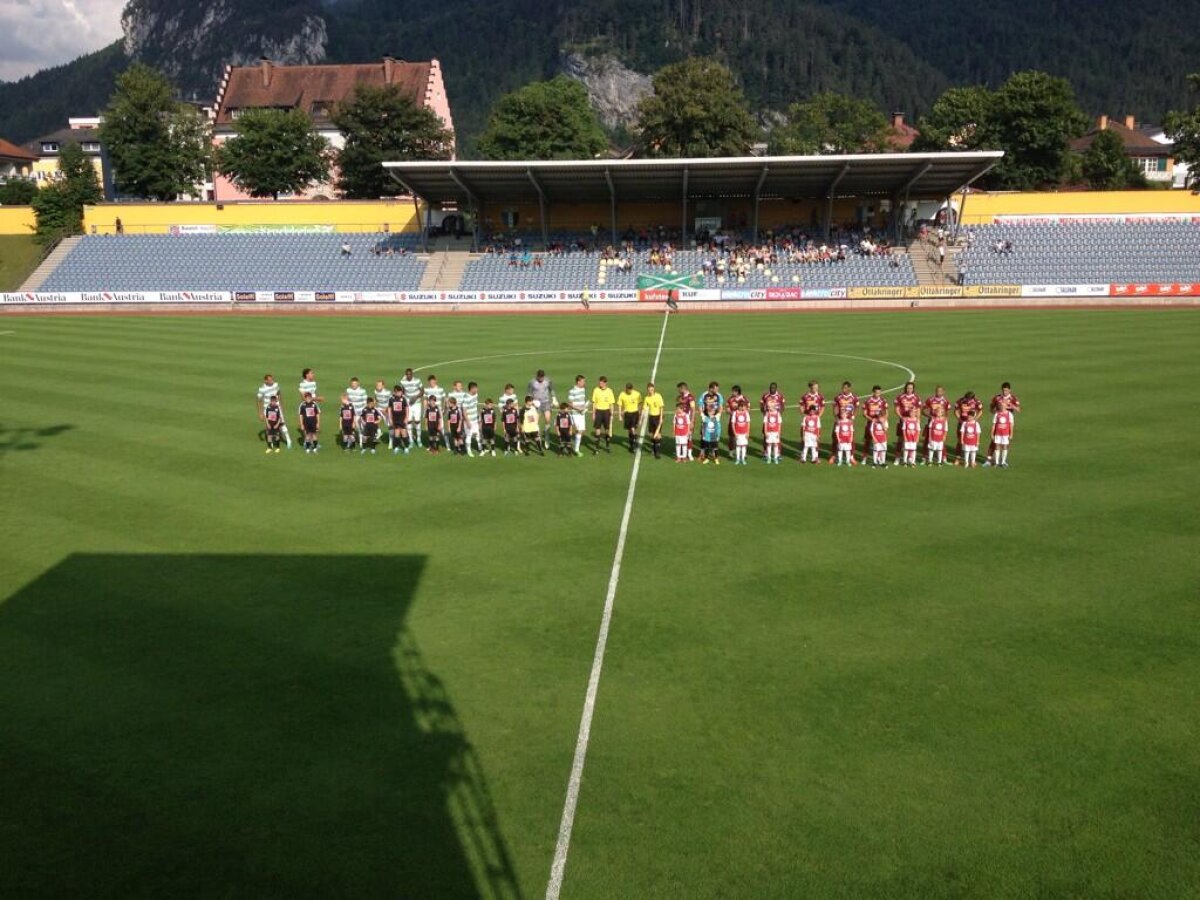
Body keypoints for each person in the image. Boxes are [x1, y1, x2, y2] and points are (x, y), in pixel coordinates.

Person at [986, 383, 1022, 465]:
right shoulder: (997, 398)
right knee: (994, 441)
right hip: (999, 421)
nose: (1005, 392)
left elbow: (1019, 410)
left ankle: (1003, 461)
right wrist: (996, 411)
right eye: (1003, 390)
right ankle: (989, 459)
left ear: (1010, 390)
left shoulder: (1013, 398)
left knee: (1006, 442)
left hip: (1008, 422)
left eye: (1006, 390)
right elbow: (991, 409)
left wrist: (1012, 406)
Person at [256, 374, 292, 449]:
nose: (272, 381)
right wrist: (260, 413)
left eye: (272, 379)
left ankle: (288, 440)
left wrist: (281, 405)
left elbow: (279, 393)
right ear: (265, 381)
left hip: (277, 408)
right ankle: (271, 443)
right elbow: (259, 400)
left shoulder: (276, 385)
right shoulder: (262, 389)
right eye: (270, 380)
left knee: (282, 423)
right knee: (269, 425)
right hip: (268, 410)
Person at [893, 381, 920, 464]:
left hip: (913, 423)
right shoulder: (900, 397)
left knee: (912, 439)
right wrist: (902, 417)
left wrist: (917, 419)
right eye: (908, 388)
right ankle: (897, 458)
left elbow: (918, 410)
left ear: (913, 389)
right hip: (903, 421)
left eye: (911, 388)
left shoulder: (916, 398)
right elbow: (896, 409)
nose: (909, 389)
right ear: (905, 388)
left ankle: (909, 457)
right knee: (900, 439)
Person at [953, 390, 983, 463]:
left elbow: (980, 411)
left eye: (969, 399)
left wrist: (975, 420)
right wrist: (959, 419)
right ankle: (958, 458)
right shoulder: (960, 401)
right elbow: (956, 411)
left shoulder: (976, 402)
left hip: (972, 424)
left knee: (972, 440)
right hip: (962, 423)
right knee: (960, 440)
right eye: (966, 399)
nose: (967, 401)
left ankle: (971, 460)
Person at [526, 369, 556, 442]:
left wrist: (554, 398)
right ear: (537, 376)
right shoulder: (532, 382)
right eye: (539, 377)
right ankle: (538, 436)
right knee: (536, 421)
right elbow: (529, 393)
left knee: (547, 419)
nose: (541, 379)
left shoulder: (548, 381)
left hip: (546, 402)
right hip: (536, 403)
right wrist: (530, 402)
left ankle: (547, 435)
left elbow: (551, 389)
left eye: (542, 377)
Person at [861, 385, 888, 463]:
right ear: (873, 392)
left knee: (880, 440)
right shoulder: (868, 401)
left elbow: (886, 413)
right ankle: (864, 458)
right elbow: (864, 414)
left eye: (879, 392)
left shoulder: (883, 401)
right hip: (870, 423)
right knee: (867, 441)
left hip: (880, 424)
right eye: (876, 392)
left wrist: (882, 420)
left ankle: (879, 458)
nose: (878, 394)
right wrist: (872, 419)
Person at [591, 376, 615, 454]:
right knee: (597, 429)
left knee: (607, 430)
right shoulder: (596, 390)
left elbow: (611, 404)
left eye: (601, 382)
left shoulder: (610, 391)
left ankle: (607, 446)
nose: (600, 384)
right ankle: (597, 448)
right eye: (599, 382)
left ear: (605, 383)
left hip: (606, 412)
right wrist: (593, 413)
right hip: (598, 411)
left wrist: (612, 414)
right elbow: (594, 403)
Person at [400, 368, 424, 447]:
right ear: (406, 375)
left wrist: (415, 397)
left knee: (417, 421)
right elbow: (402, 391)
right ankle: (411, 440)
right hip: (408, 405)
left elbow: (422, 391)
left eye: (410, 374)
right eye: (407, 374)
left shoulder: (417, 380)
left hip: (417, 404)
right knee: (409, 421)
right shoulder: (402, 382)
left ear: (412, 374)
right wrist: (405, 399)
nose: (409, 376)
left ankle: (419, 439)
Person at [642, 382, 665, 459]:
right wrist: (642, 417)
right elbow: (645, 408)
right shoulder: (647, 398)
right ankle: (653, 448)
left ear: (654, 389)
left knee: (658, 434)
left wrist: (661, 417)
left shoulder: (658, 396)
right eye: (649, 390)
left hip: (658, 416)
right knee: (651, 434)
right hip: (651, 417)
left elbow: (661, 407)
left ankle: (657, 452)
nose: (650, 391)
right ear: (647, 390)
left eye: (652, 389)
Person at [617, 381, 643, 452]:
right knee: (629, 430)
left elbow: (640, 403)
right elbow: (619, 405)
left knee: (632, 428)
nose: (629, 391)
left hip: (635, 413)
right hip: (627, 414)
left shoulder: (637, 394)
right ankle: (632, 442)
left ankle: (633, 444)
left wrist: (639, 411)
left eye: (630, 389)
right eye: (628, 389)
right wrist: (620, 415)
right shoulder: (622, 394)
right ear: (626, 389)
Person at [566, 375, 588, 456]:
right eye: (583, 381)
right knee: (579, 430)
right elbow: (569, 404)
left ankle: (575, 447)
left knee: (581, 431)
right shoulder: (572, 391)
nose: (584, 383)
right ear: (578, 382)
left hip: (582, 413)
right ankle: (576, 449)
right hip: (576, 414)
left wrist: (584, 407)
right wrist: (578, 408)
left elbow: (584, 387)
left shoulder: (583, 389)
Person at [424, 375, 447, 448]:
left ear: (436, 381)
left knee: (441, 429)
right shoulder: (426, 390)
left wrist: (444, 409)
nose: (432, 383)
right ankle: (431, 446)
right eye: (430, 382)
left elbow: (445, 399)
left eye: (433, 382)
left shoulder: (440, 389)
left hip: (438, 412)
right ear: (429, 382)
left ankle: (447, 444)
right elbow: (425, 400)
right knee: (431, 429)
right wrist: (425, 409)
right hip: (430, 412)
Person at [990, 400, 1014, 467]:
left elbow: (1011, 425)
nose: (1002, 407)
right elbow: (994, 425)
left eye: (1003, 405)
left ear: (1006, 406)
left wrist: (1011, 434)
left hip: (1006, 434)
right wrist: (992, 434)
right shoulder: (997, 414)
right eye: (1001, 405)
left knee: (1005, 447)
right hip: (998, 433)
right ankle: (997, 462)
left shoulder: (1009, 414)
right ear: (999, 406)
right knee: (997, 447)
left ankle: (1003, 462)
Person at [677, 382, 697, 459]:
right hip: (682, 420)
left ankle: (689, 453)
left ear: (683, 388)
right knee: (682, 436)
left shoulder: (690, 397)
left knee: (689, 436)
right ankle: (683, 453)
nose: (678, 391)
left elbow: (693, 409)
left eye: (679, 389)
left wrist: (692, 421)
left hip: (688, 420)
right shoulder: (681, 397)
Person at [462, 382, 482, 457]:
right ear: (472, 389)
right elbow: (464, 411)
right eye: (476, 388)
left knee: (477, 434)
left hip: (475, 419)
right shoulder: (466, 398)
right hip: (469, 421)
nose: (477, 389)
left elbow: (475, 406)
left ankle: (480, 448)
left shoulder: (476, 395)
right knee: (469, 435)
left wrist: (479, 417)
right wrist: (467, 422)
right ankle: (469, 450)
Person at [387, 385, 409, 455]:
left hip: (402, 418)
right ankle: (396, 447)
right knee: (396, 434)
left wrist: (406, 418)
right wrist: (390, 419)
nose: (400, 393)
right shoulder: (391, 399)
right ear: (395, 392)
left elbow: (407, 408)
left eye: (401, 392)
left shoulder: (403, 399)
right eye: (399, 392)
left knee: (403, 432)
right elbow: (389, 409)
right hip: (395, 419)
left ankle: (406, 447)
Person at [699, 400, 722, 465]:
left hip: (714, 436)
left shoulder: (717, 418)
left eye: (712, 411)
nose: (710, 412)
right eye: (709, 411)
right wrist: (703, 435)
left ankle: (716, 459)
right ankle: (706, 459)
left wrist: (718, 436)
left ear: (714, 411)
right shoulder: (705, 418)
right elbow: (703, 427)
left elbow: (718, 428)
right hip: (707, 436)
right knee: (706, 448)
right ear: (707, 411)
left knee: (715, 448)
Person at [347, 377, 369, 443]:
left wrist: (365, 413)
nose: (354, 385)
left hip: (360, 413)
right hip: (352, 414)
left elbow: (365, 402)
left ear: (358, 383)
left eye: (355, 384)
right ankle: (350, 442)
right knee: (351, 427)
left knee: (362, 428)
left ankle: (364, 439)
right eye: (352, 384)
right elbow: (347, 400)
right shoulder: (348, 390)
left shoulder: (362, 391)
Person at [730, 400, 752, 465]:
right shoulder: (735, 413)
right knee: (738, 446)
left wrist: (748, 432)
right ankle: (738, 459)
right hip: (738, 433)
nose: (742, 408)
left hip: (744, 433)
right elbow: (733, 423)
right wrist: (735, 433)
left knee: (744, 446)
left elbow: (748, 423)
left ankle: (742, 459)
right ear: (739, 406)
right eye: (741, 406)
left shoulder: (746, 413)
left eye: (744, 406)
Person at [762, 399, 783, 464]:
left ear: (774, 407)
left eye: (769, 407)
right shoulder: (767, 414)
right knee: (769, 444)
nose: (768, 408)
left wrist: (779, 433)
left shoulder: (777, 414)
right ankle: (769, 458)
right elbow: (765, 424)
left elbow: (779, 424)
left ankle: (775, 458)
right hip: (769, 432)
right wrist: (765, 432)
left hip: (775, 432)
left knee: (776, 444)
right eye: (768, 407)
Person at [373, 379, 393, 446]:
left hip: (387, 410)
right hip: (379, 409)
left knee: (389, 425)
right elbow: (375, 399)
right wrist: (373, 405)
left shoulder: (387, 393)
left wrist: (386, 409)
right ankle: (378, 431)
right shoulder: (375, 391)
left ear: (383, 386)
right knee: (372, 416)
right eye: (377, 385)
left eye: (379, 385)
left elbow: (391, 402)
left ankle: (391, 440)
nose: (378, 387)